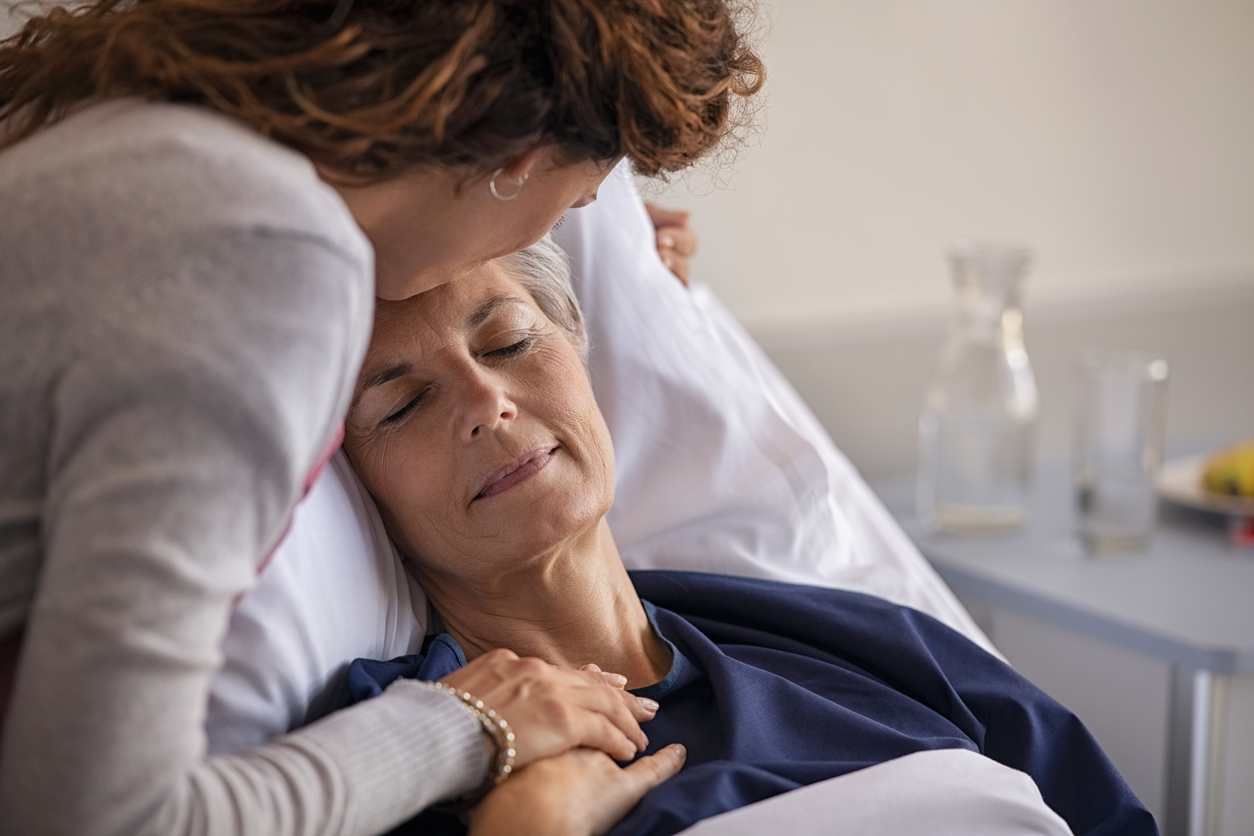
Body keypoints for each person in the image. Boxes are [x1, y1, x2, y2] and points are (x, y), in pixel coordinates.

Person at [0, 1, 764, 833]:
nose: (559, 228)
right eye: (577, 202)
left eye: (509, 340)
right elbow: (100, 819)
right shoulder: (263, 265)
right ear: (516, 159)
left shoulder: (132, 145)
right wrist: (468, 726)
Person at [339, 239, 1159, 836]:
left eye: (511, 342)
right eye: (402, 405)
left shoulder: (857, 642)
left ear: (582, 360)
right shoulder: (410, 747)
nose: (487, 402)